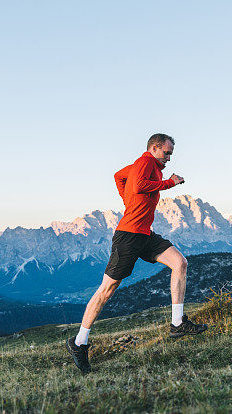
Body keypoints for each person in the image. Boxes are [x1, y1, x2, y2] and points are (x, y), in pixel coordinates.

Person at [65, 133, 208, 373]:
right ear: (154, 148)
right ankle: (79, 342)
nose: (169, 158)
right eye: (167, 152)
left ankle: (177, 323)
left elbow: (119, 177)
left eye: (171, 154)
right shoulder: (144, 163)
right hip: (129, 237)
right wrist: (169, 183)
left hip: (145, 235)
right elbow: (138, 185)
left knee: (180, 263)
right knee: (107, 290)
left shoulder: (146, 165)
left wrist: (128, 200)